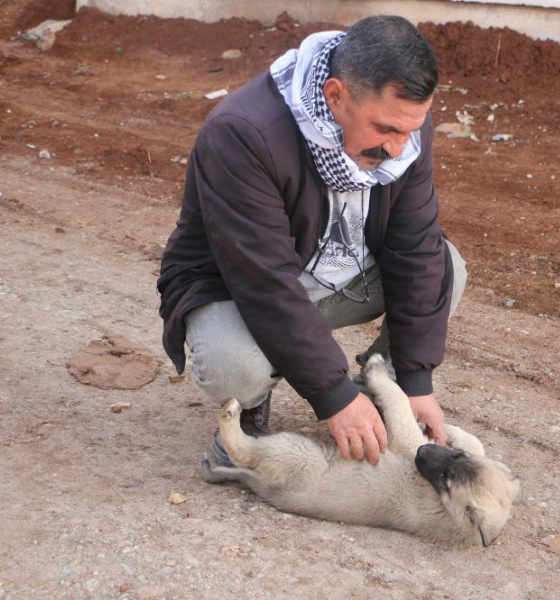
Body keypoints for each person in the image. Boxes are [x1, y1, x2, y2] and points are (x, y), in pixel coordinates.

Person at [157, 15, 467, 466]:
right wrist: (331, 394)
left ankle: (384, 394)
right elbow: (264, 280)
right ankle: (253, 398)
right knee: (234, 365)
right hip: (241, 291)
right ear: (335, 96)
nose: (400, 148)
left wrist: (415, 382)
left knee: (445, 266)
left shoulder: (403, 124)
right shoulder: (242, 133)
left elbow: (415, 248)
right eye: (385, 130)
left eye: (410, 130)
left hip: (335, 281)